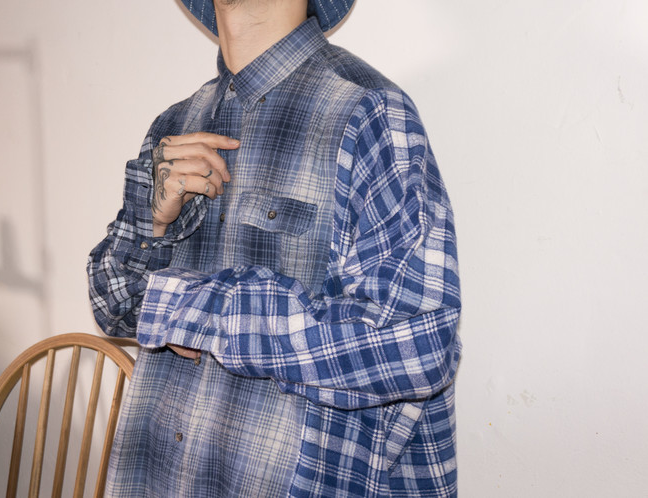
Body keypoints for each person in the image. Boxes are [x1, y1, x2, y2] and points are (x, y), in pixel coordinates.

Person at [87, 0, 462, 496]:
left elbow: (418, 343)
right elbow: (114, 306)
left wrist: (195, 310)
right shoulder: (174, 125)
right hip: (156, 476)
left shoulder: (368, 113)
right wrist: (152, 224)